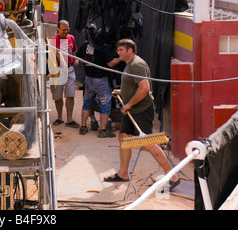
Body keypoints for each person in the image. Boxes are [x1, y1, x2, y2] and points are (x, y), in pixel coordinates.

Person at [103, 39, 180, 190]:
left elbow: (144, 88)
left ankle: (173, 176)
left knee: (148, 143)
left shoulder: (137, 64)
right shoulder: (129, 65)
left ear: (129, 50)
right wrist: (121, 92)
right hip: (132, 110)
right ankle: (123, 173)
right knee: (124, 137)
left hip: (140, 111)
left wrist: (129, 104)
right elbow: (134, 86)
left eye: (121, 50)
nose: (118, 53)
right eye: (117, 50)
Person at [76, 41, 121, 136]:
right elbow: (111, 63)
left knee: (87, 103)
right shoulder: (103, 46)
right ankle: (103, 130)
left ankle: (83, 127)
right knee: (105, 104)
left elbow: (78, 56)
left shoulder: (85, 45)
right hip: (100, 80)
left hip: (88, 79)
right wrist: (121, 58)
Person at [50, 20, 79, 127]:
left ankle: (69, 119)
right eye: (63, 30)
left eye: (67, 29)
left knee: (70, 94)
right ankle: (60, 117)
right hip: (58, 71)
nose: (66, 32)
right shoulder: (54, 40)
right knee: (57, 96)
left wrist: (75, 60)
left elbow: (74, 51)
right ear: (58, 29)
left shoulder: (71, 38)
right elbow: (57, 54)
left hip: (70, 70)